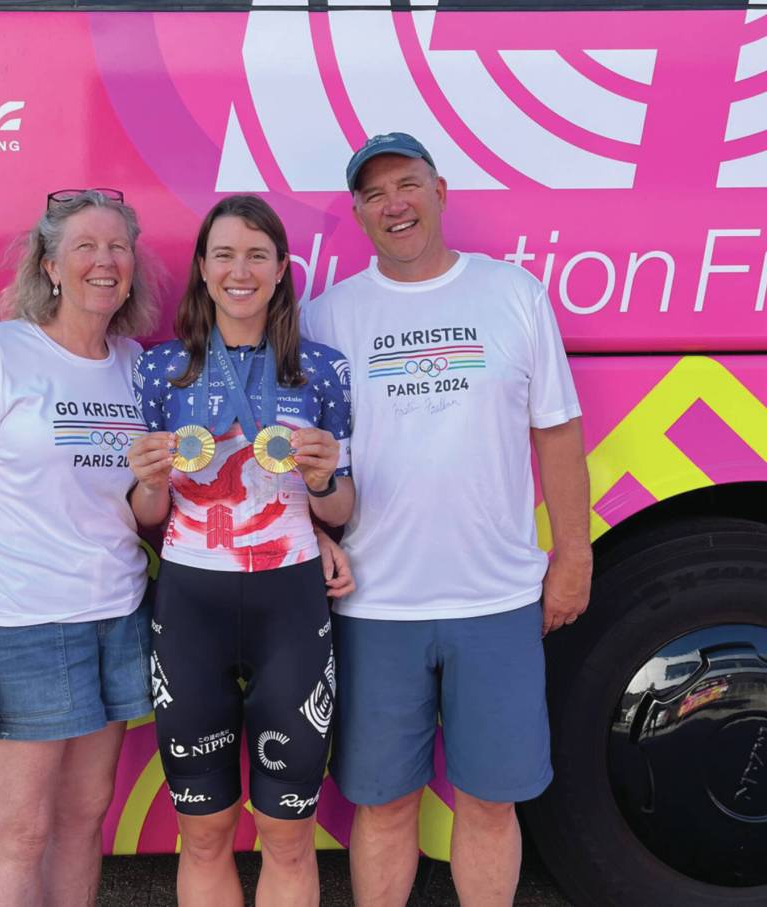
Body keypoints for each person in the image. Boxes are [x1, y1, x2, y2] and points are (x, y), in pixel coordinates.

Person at [301, 134, 593, 907]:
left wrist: (574, 556)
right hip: (373, 604)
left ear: (440, 189)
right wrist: (320, 539)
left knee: (492, 803)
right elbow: (303, 459)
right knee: (385, 804)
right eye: (374, 194)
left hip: (495, 602)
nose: (394, 203)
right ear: (360, 214)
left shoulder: (513, 294)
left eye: (408, 183)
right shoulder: (326, 316)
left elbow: (556, 431)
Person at [0, 188, 158, 907]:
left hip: (117, 617)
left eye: (118, 247)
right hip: (23, 625)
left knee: (85, 818)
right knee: (20, 831)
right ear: (50, 264)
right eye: (85, 247)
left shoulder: (133, 364)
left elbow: (138, 510)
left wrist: (161, 483)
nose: (105, 261)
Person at [127, 194, 355, 907]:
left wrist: (321, 484)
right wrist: (150, 483)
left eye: (257, 254)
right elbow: (145, 518)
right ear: (201, 268)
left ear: (283, 268)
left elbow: (343, 507)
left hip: (290, 604)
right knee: (203, 829)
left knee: (287, 833)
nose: (240, 270)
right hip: (191, 605)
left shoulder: (322, 371)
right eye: (224, 254)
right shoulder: (160, 371)